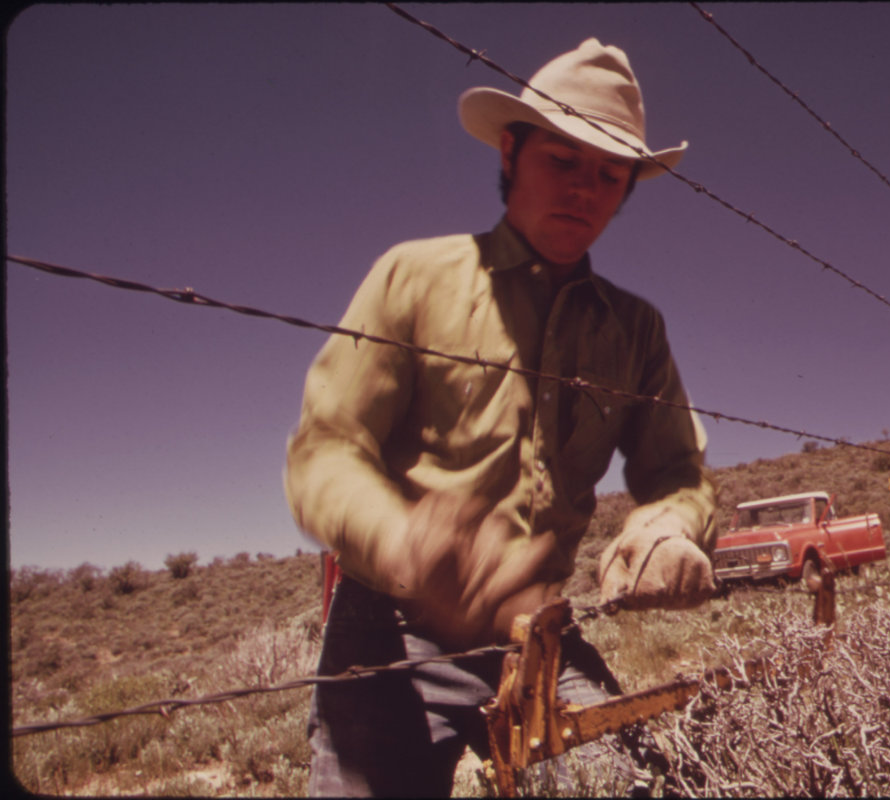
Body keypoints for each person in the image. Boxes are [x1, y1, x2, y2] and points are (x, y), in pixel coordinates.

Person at [284, 37, 717, 797]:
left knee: (634, 785)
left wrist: (670, 528)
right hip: (383, 627)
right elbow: (324, 452)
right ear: (512, 153)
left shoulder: (636, 330)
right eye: (563, 160)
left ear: (625, 192)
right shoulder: (413, 278)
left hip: (539, 631)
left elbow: (677, 473)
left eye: (609, 174)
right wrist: (408, 543)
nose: (585, 189)